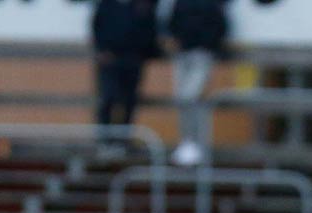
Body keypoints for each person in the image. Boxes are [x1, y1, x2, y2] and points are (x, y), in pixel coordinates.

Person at [164, 0, 229, 167]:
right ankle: (187, 142)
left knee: (190, 97)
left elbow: (220, 25)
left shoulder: (211, 4)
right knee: (182, 99)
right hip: (183, 53)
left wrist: (208, 44)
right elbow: (172, 22)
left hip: (202, 54)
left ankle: (195, 143)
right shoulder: (181, 3)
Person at [92, 0, 162, 151]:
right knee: (108, 98)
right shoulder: (107, 4)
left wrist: (146, 53)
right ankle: (105, 141)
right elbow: (97, 26)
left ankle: (123, 141)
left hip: (133, 60)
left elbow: (149, 29)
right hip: (109, 60)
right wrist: (101, 49)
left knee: (129, 101)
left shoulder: (142, 5)